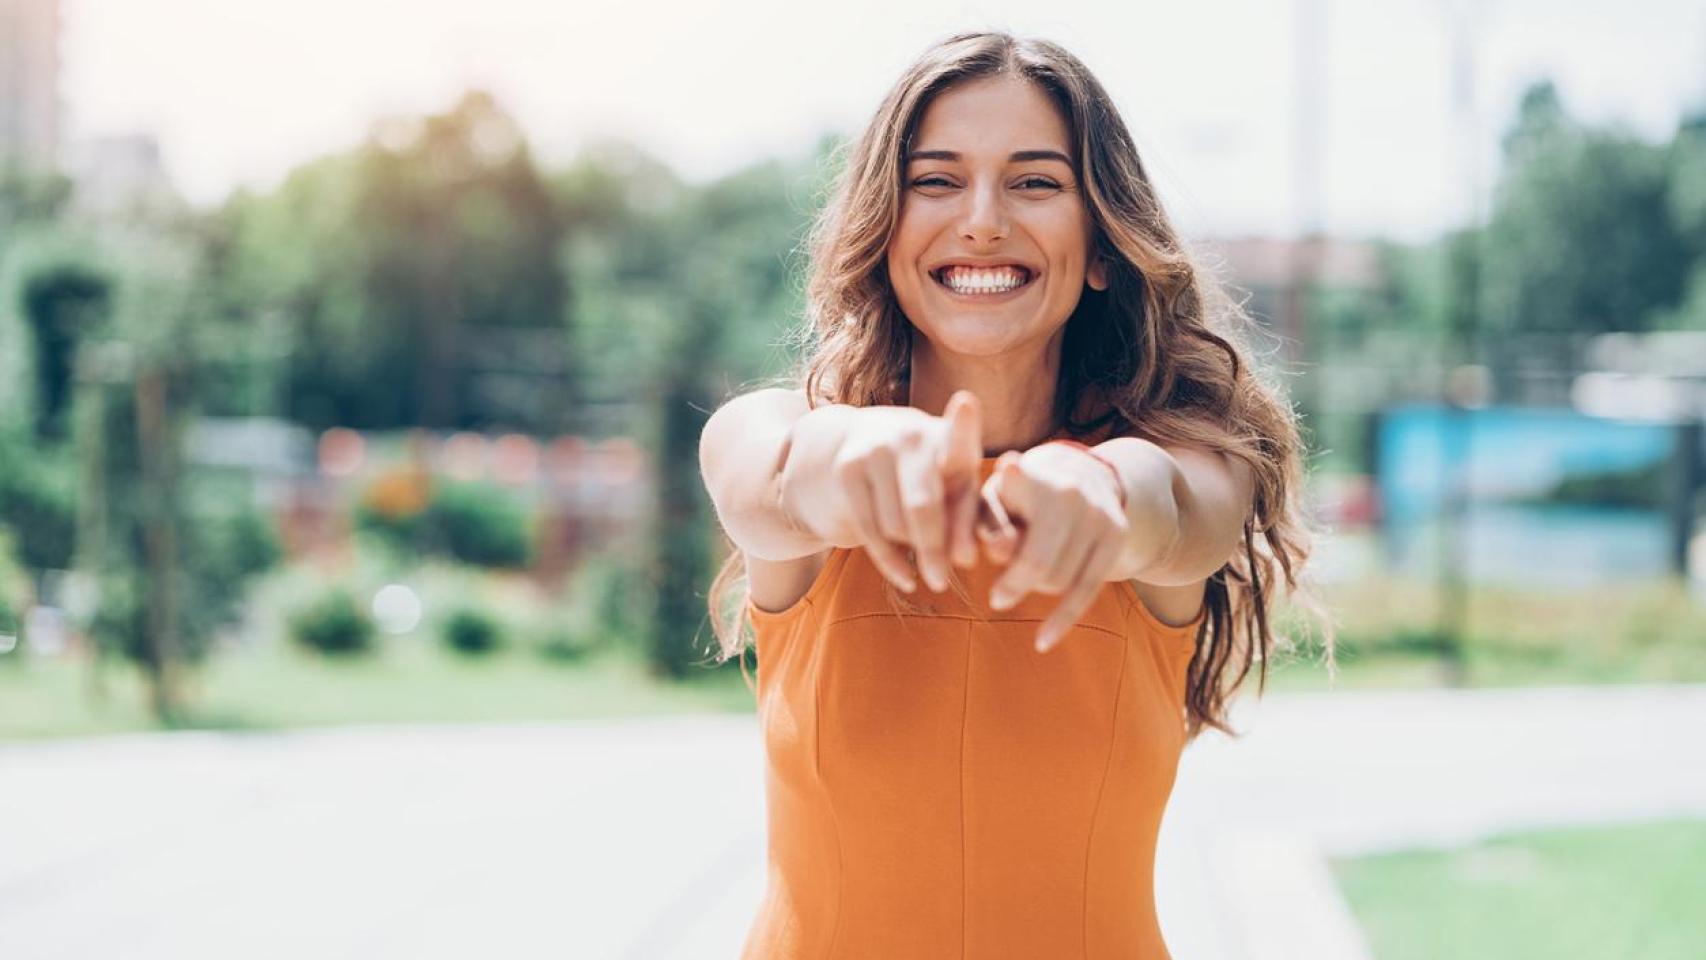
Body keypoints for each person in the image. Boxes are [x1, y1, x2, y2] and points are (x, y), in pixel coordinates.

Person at [698, 30, 1332, 960]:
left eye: (1035, 182)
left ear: (1105, 245)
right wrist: (859, 457)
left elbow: (1174, 515)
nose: (983, 220)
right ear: (886, 230)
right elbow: (774, 479)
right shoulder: (775, 430)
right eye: (937, 181)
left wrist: (1098, 489)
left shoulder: (1188, 460)